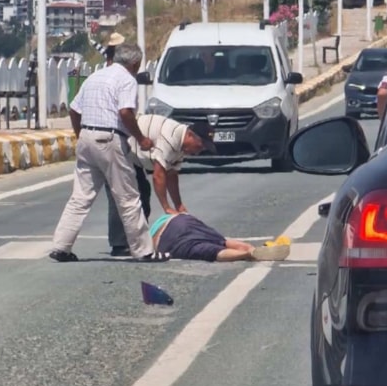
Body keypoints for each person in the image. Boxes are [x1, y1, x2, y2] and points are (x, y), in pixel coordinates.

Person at [48, 43, 168, 263]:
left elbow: (75, 110)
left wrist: (81, 135)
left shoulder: (95, 77)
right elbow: (125, 112)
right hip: (110, 139)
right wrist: (141, 139)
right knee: (129, 197)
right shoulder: (127, 80)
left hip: (86, 138)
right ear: (134, 63)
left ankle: (61, 246)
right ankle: (144, 250)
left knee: (80, 197)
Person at [107, 115, 217, 256]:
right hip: (121, 149)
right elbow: (159, 175)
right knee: (124, 195)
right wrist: (166, 207)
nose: (199, 151)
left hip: (136, 158)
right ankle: (120, 245)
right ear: (190, 135)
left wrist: (179, 206)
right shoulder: (170, 137)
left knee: (143, 194)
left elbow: (171, 175)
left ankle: (137, 241)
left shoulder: (181, 147)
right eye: (200, 146)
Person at [150, 213, 291, 262]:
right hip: (179, 219)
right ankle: (250, 248)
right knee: (221, 240)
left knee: (210, 251)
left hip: (165, 239)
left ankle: (249, 253)